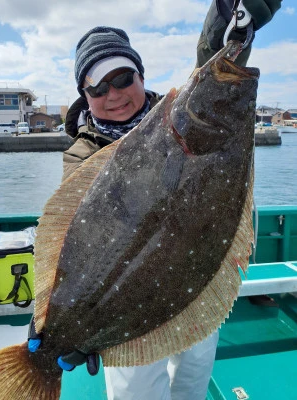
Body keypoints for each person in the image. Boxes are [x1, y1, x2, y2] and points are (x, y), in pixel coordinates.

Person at [29, 1, 282, 399]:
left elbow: (215, 55)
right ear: (84, 94)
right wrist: (55, 319)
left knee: (193, 377)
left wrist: (228, 13)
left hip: (195, 274)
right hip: (127, 302)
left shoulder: (176, 113)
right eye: (98, 87)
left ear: (141, 77)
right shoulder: (82, 154)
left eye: (123, 77)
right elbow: (76, 240)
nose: (113, 94)